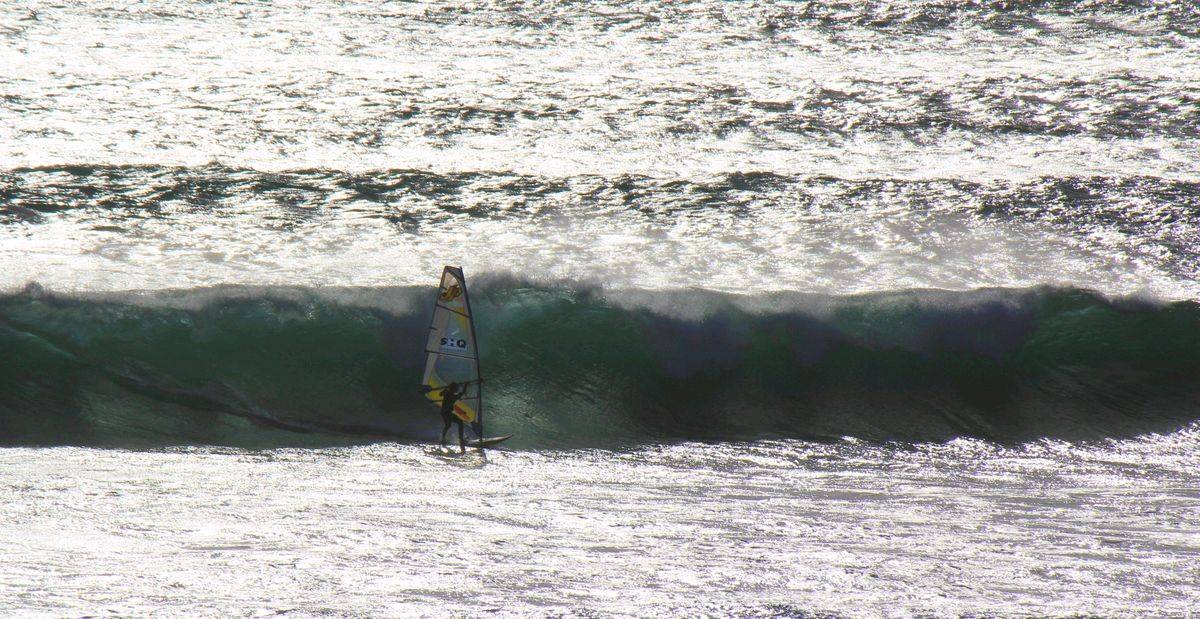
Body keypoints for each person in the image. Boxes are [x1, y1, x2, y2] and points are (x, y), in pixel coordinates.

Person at [434, 381, 470, 453]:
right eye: (456, 389)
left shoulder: (447, 393)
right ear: (453, 389)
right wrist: (465, 386)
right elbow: (461, 393)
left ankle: (449, 438)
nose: (457, 390)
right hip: (446, 413)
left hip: (446, 412)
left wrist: (446, 389)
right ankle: (459, 439)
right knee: (451, 424)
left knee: (450, 424)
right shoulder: (451, 395)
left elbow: (440, 394)